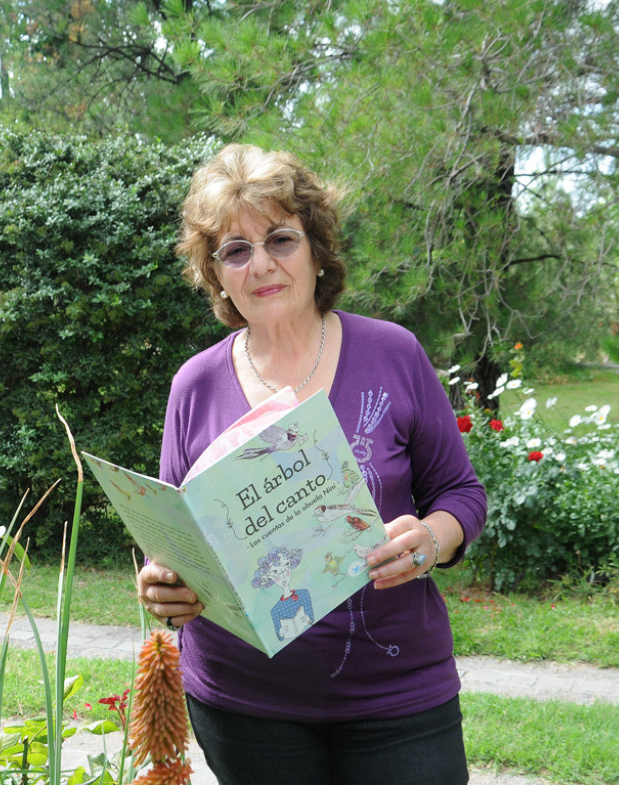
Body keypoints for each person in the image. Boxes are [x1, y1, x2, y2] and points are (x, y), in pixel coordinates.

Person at [137, 143, 487, 785]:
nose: (261, 265)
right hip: (244, 705)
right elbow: (171, 539)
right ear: (215, 274)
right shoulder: (195, 385)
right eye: (235, 251)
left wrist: (431, 540)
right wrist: (163, 585)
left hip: (398, 695)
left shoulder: (393, 354)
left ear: (317, 249)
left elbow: (462, 493)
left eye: (280, 240)